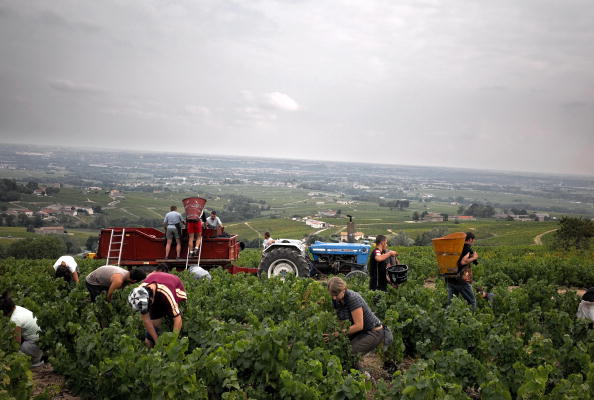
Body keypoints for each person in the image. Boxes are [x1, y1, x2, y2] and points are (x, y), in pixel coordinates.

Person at [326, 277, 385, 355]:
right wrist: (334, 333)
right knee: (339, 346)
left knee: (350, 351)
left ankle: (355, 366)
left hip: (373, 331)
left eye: (336, 295)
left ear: (343, 290)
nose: (334, 297)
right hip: (360, 332)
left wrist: (338, 333)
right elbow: (341, 320)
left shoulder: (352, 298)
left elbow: (359, 326)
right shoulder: (336, 299)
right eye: (332, 295)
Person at [128, 271, 187, 347]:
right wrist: (157, 341)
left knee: (174, 318)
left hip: (175, 289)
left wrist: (172, 342)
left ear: (151, 299)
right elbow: (146, 320)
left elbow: (178, 319)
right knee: (155, 327)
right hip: (156, 287)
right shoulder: (140, 293)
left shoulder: (166, 292)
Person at [0, 291, 44, 367]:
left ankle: (34, 362)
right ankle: (38, 357)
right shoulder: (17, 308)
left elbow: (16, 343)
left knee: (14, 356)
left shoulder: (15, 319)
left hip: (35, 346)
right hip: (41, 343)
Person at [445, 232, 479, 309]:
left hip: (450, 278)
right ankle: (471, 319)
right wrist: (474, 258)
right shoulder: (466, 248)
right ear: (470, 239)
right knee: (472, 301)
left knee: (451, 304)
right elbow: (463, 262)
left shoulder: (457, 247)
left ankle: (447, 318)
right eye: (473, 240)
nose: (473, 242)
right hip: (461, 280)